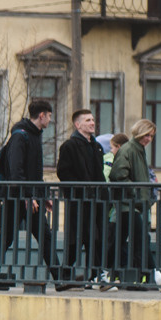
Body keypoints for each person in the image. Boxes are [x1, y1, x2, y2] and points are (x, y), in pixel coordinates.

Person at [0, 99, 59, 290]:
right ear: (41, 115)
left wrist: (42, 194)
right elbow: (16, 171)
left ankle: (60, 277)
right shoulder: (21, 136)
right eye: (49, 116)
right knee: (36, 235)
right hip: (18, 198)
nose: (50, 120)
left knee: (39, 235)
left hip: (28, 197)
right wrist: (28, 196)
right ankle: (60, 277)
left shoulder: (34, 135)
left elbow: (34, 171)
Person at [107, 119, 161, 287]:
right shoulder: (130, 149)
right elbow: (117, 175)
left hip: (131, 204)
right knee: (138, 241)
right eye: (147, 135)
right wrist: (136, 193)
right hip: (129, 205)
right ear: (139, 132)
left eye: (151, 136)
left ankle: (104, 274)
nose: (149, 139)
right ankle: (154, 275)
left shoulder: (136, 150)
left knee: (119, 243)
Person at [55, 109, 106, 288]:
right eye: (87, 120)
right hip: (78, 201)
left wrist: (103, 196)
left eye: (93, 119)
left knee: (96, 238)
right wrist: (79, 189)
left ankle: (97, 276)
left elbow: (99, 175)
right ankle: (67, 275)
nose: (92, 123)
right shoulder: (69, 146)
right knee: (76, 240)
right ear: (78, 125)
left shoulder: (96, 146)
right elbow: (63, 172)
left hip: (96, 201)